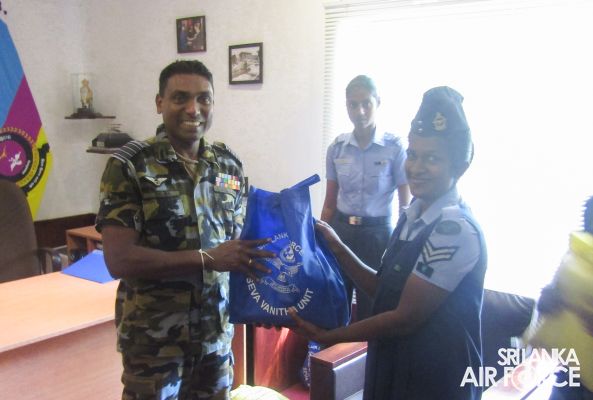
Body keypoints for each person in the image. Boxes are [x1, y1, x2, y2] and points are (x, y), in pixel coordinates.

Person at [291, 86, 487, 399]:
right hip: (395, 365)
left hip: (435, 378)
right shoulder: (413, 217)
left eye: (432, 158)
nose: (417, 168)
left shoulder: (454, 229)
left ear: (459, 166)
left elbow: (403, 318)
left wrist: (331, 335)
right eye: (414, 155)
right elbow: (383, 289)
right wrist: (337, 246)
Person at [96, 60, 273, 400]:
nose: (194, 109)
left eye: (204, 98)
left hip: (215, 336)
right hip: (155, 343)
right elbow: (119, 260)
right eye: (180, 98)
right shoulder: (130, 166)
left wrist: (267, 300)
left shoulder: (228, 164)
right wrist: (207, 258)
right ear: (159, 102)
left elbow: (237, 245)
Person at [321, 75, 410, 321]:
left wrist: (401, 245)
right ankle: (335, 347)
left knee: (372, 309)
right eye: (353, 104)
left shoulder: (394, 148)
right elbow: (329, 203)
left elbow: (406, 205)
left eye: (366, 104)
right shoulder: (337, 148)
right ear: (346, 106)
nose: (359, 111)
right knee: (335, 303)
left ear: (377, 102)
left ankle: (368, 349)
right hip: (341, 232)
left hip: (377, 236)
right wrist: (320, 239)